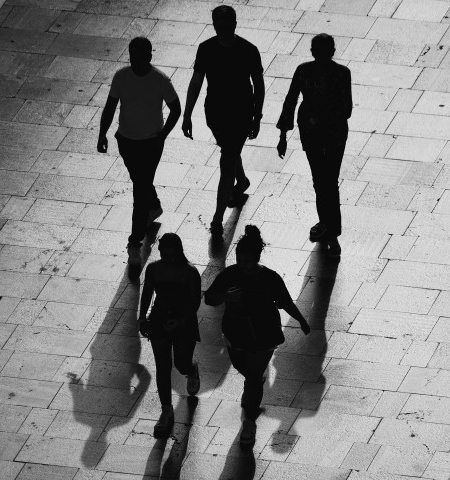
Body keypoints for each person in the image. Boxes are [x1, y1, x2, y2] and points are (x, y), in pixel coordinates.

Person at [205, 225, 310, 447]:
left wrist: (301, 320)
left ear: (257, 258)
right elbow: (209, 299)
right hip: (235, 331)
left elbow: (285, 302)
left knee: (253, 377)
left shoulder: (270, 278)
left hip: (264, 333)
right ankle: (252, 384)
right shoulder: (230, 274)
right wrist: (225, 296)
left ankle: (249, 424)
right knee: (243, 367)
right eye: (240, 260)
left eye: (247, 261)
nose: (243, 265)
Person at [97, 37, 181, 267]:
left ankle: (135, 242)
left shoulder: (160, 80)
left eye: (140, 58)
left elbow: (176, 108)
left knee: (139, 189)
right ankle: (153, 206)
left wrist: (162, 135)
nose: (136, 62)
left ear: (149, 57)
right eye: (133, 57)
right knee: (140, 181)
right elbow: (110, 106)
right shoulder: (121, 76)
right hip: (126, 140)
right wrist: (102, 133)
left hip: (150, 144)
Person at [182, 5, 265, 237]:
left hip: (239, 113)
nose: (224, 30)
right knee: (229, 149)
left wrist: (256, 116)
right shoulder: (207, 49)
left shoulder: (248, 50)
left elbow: (259, 86)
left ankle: (218, 217)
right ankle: (243, 180)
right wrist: (187, 113)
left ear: (235, 24)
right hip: (216, 114)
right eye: (220, 26)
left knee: (227, 159)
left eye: (227, 26)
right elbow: (196, 82)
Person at [276, 33, 352, 259]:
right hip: (333, 133)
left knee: (321, 179)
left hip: (314, 132)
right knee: (327, 180)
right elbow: (346, 109)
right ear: (333, 51)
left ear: (312, 51)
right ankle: (330, 228)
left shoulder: (303, 71)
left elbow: (290, 101)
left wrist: (283, 134)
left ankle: (328, 227)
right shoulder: (341, 73)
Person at [138, 233, 201, 438]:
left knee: (181, 363)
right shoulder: (154, 269)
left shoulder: (190, 272)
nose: (169, 260)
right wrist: (142, 317)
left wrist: (181, 321)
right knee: (162, 366)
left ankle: (191, 369)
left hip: (183, 321)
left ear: (180, 253)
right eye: (165, 255)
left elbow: (194, 303)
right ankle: (166, 410)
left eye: (172, 255)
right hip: (160, 318)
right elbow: (147, 293)